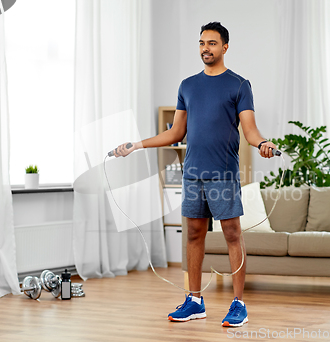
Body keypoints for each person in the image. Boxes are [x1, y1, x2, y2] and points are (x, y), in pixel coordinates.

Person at [113, 21, 276, 327]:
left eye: (212, 43)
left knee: (231, 234)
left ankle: (239, 303)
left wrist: (263, 143)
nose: (206, 48)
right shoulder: (187, 85)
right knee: (193, 234)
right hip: (193, 174)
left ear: (225, 47)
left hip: (223, 174)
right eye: (202, 43)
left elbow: (251, 131)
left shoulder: (240, 85)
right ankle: (194, 301)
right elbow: (176, 132)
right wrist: (136, 145)